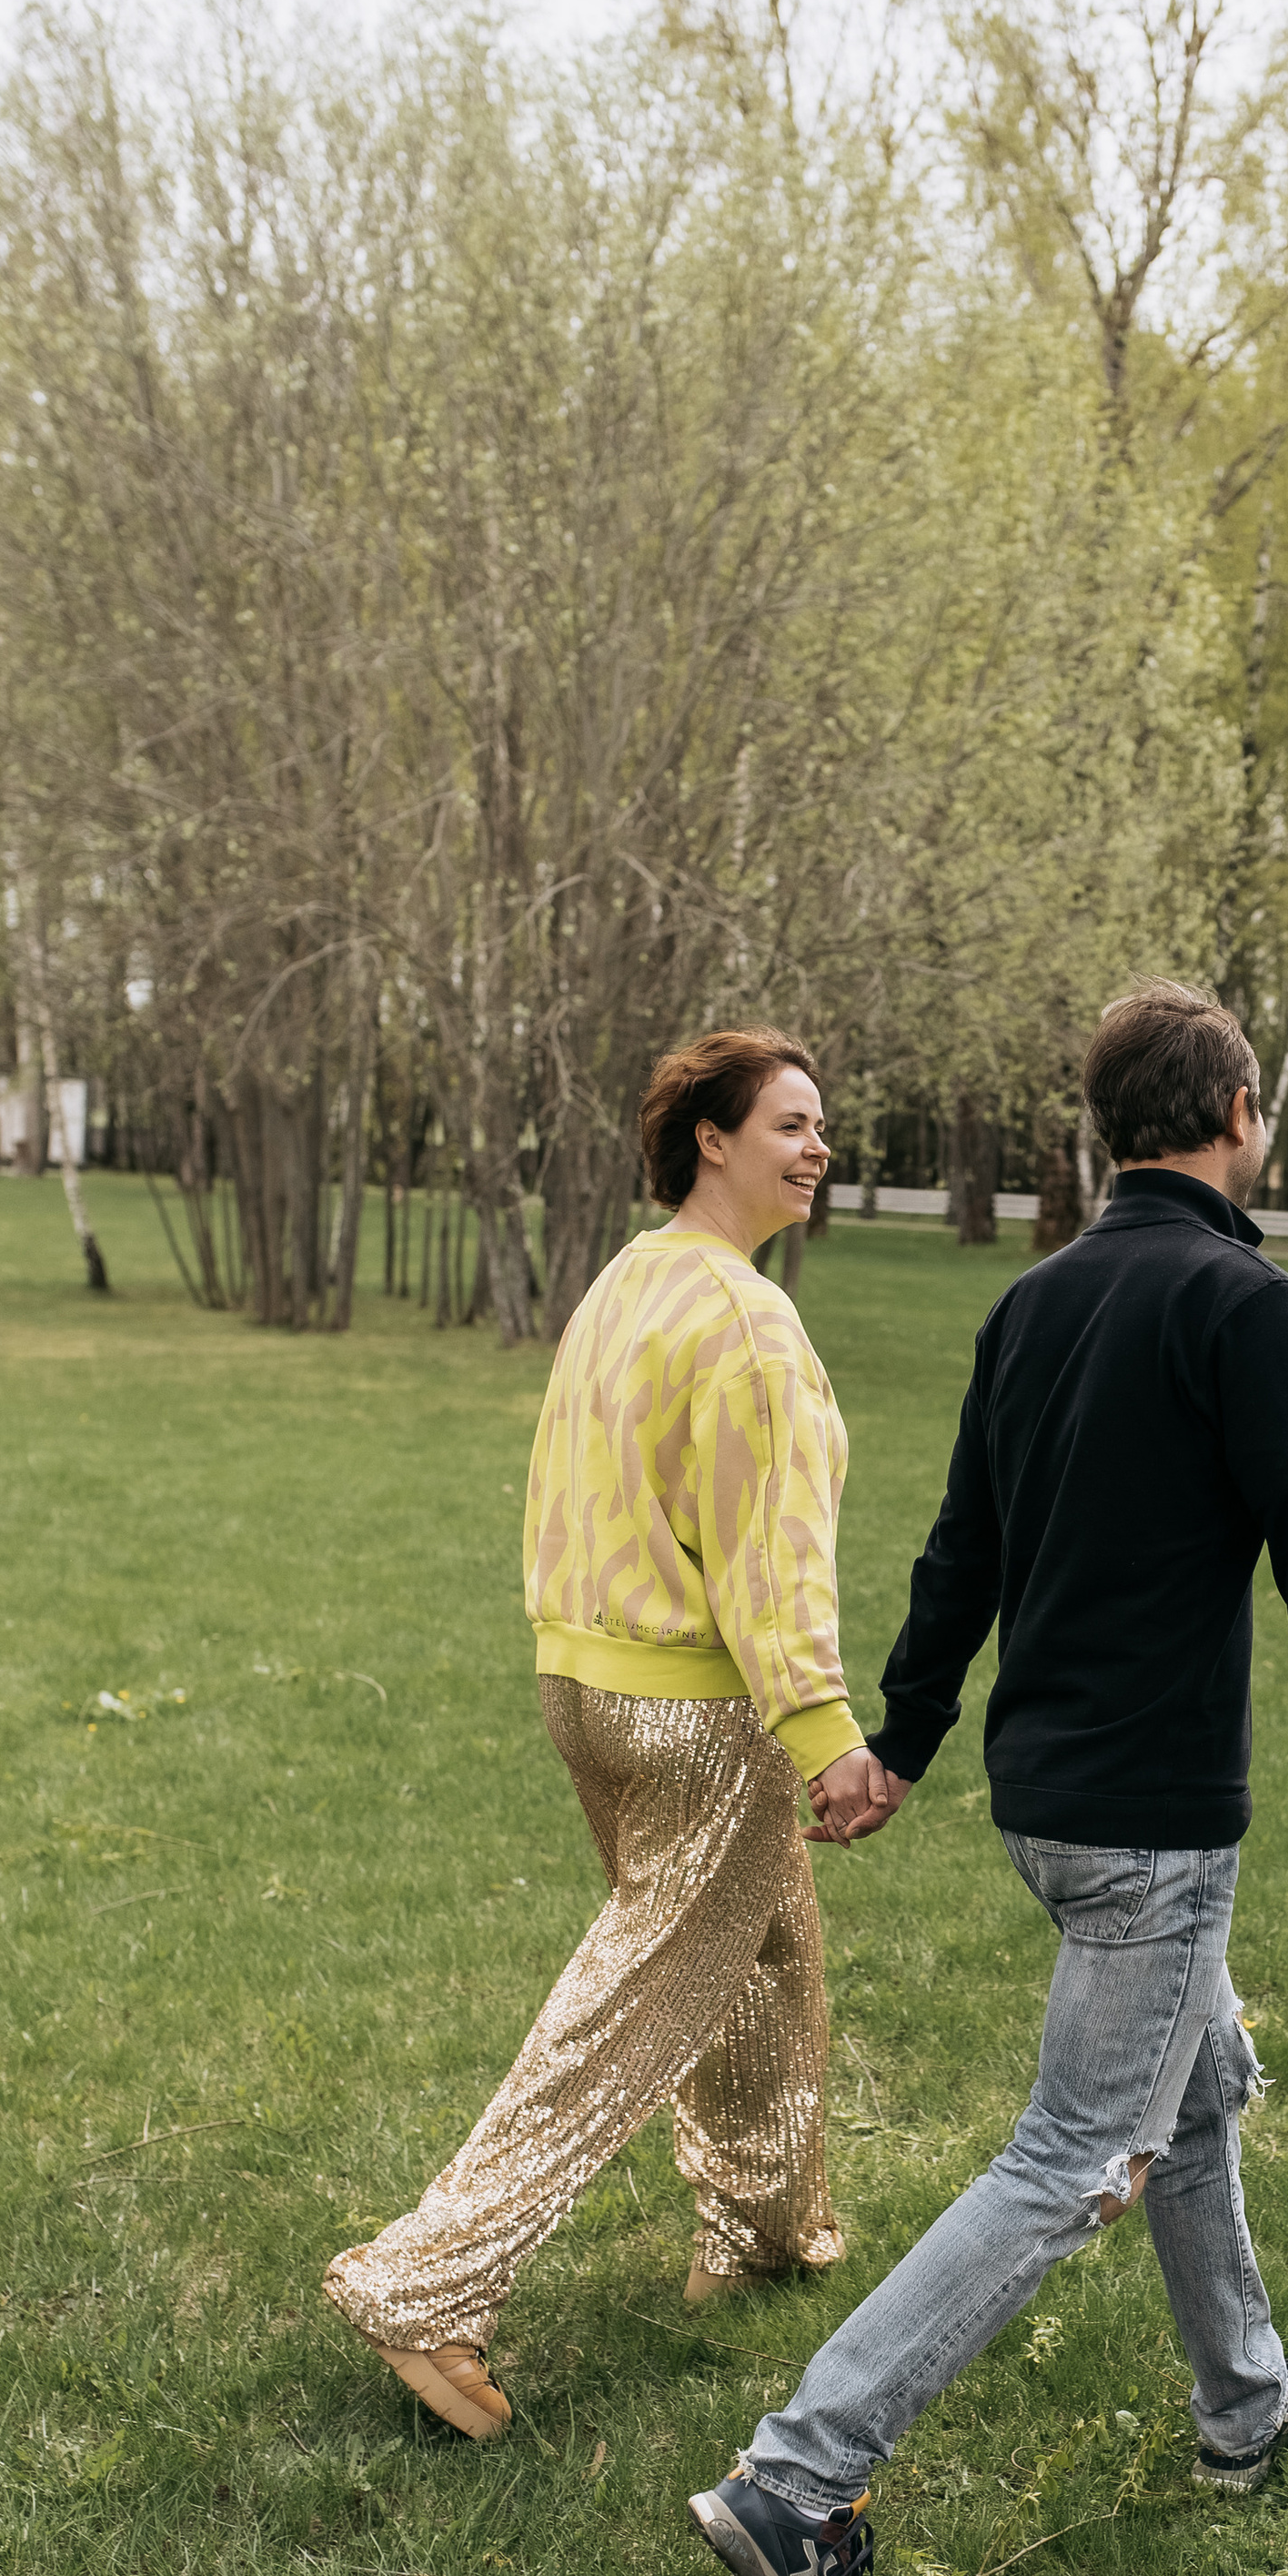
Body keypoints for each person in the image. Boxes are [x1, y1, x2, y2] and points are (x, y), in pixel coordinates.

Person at [685, 982, 1288, 2576]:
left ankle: (1246, 2401)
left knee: (1187, 2097)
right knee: (1080, 2150)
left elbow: (958, 1551)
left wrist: (902, 1738)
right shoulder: (1242, 1302)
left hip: (1045, 1801)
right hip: (1151, 1821)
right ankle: (801, 2472)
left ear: (1105, 1129)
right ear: (1239, 1115)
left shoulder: (1033, 1302)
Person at [323, 1030, 896, 2441]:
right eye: (792, 1123)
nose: (818, 1148)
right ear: (712, 1136)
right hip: (702, 1710)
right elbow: (774, 1561)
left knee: (763, 1947)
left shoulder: (624, 1285)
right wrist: (825, 1735)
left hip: (586, 1683)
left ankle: (763, 2223)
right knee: (632, 2001)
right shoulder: (751, 1323)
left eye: (824, 1127)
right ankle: (428, 2280)